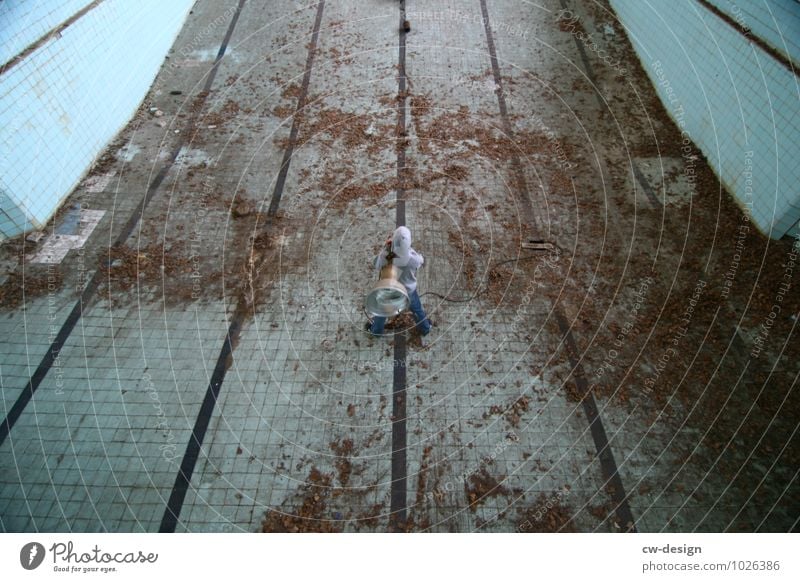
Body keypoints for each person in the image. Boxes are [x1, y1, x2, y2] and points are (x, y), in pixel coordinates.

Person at [366, 226, 432, 337]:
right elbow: (421, 260)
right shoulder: (413, 259)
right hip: (408, 292)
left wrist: (386, 248)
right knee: (417, 309)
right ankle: (425, 328)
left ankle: (376, 331)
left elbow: (376, 264)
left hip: (390, 290)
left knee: (382, 311)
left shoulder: (388, 256)